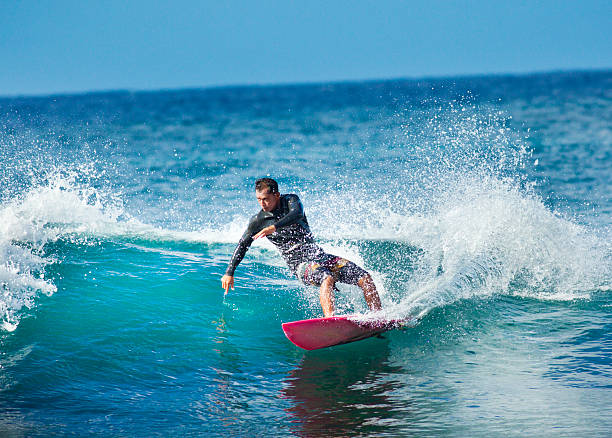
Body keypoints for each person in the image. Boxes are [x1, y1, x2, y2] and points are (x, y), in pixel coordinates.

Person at [221, 178, 382, 317]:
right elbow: (243, 244)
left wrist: (275, 227)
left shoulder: (291, 201)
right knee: (327, 278)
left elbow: (297, 214)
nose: (262, 204)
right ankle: (330, 322)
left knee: (365, 278)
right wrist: (229, 272)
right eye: (258, 199)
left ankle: (378, 317)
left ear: (276, 195)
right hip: (300, 265)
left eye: (266, 199)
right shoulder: (258, 221)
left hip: (320, 257)